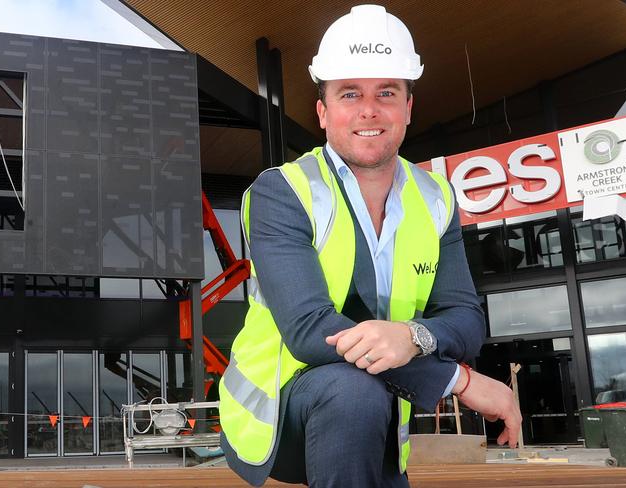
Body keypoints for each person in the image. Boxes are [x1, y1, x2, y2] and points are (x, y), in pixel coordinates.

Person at [219, 5, 522, 487]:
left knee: (362, 396)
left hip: (375, 414)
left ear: (407, 107)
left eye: (386, 92)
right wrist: (460, 382)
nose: (368, 109)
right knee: (351, 389)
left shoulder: (435, 197)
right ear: (323, 111)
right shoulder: (282, 192)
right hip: (277, 414)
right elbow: (308, 330)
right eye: (349, 93)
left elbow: (465, 320)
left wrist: (413, 337)